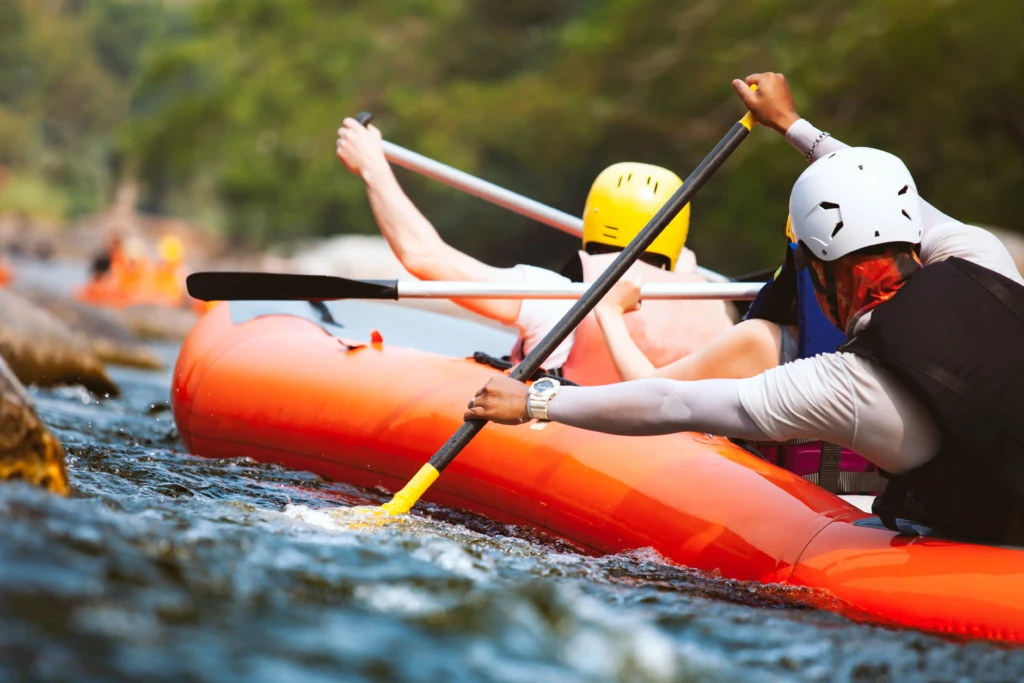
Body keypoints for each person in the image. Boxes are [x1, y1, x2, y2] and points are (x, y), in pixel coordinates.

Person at [464, 72, 1024, 544]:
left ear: (819, 275)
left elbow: (674, 404)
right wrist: (793, 125)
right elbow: (888, 191)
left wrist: (537, 400)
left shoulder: (847, 386)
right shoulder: (982, 257)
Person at [335, 121, 734, 385]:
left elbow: (423, 257)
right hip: (669, 462)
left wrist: (372, 165)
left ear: (591, 217)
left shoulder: (556, 298)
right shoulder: (716, 307)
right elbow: (682, 263)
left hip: (564, 441)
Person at [594, 218, 879, 494]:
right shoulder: (892, 336)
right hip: (876, 514)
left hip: (792, 511)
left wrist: (609, 310)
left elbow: (646, 391)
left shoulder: (761, 341)